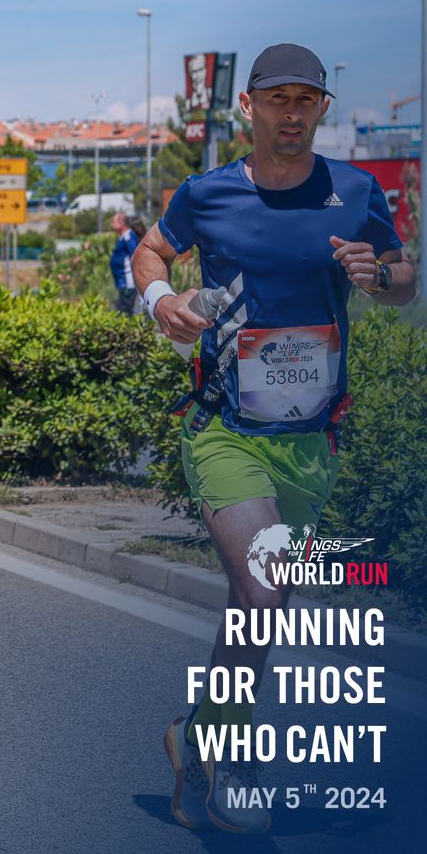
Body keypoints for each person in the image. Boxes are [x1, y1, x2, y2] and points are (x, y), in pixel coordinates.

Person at [135, 44, 413, 836]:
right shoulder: (209, 193)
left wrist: (379, 275)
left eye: (307, 100)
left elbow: (404, 280)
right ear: (249, 107)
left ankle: (198, 737)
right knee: (263, 588)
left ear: (322, 108)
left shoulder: (356, 192)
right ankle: (233, 756)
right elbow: (150, 249)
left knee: (260, 604)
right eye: (279, 99)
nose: (293, 113)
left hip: (312, 441)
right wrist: (160, 299)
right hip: (226, 430)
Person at [109, 210, 143, 314]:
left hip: (127, 281)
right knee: (123, 309)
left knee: (125, 311)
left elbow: (135, 255)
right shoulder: (124, 237)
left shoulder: (128, 237)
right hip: (122, 281)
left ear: (121, 223)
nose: (111, 225)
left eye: (113, 222)